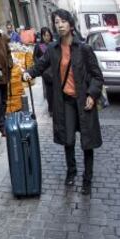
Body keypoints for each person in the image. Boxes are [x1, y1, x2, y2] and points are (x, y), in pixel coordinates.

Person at [23, 9, 103, 195]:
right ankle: (71, 171)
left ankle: (87, 178)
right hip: (65, 101)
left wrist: (92, 94)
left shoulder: (84, 48)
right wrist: (29, 72)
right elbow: (40, 65)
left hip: (84, 101)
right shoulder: (53, 49)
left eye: (63, 21)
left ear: (71, 24)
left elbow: (97, 76)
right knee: (68, 139)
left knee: (87, 141)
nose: (59, 25)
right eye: (56, 22)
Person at [33, 27, 54, 116]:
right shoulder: (39, 45)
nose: (47, 37)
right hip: (46, 72)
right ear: (42, 36)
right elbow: (35, 57)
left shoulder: (53, 44)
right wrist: (40, 66)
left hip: (55, 70)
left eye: (48, 35)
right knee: (49, 91)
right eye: (45, 36)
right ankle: (51, 109)